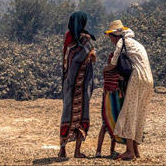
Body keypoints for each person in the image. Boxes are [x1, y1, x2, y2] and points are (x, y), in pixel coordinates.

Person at [103, 20, 153, 161]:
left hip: (137, 79)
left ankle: (129, 151)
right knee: (139, 113)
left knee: (129, 112)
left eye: (111, 37)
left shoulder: (121, 42)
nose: (111, 40)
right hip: (148, 80)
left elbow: (113, 65)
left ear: (115, 35)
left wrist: (104, 69)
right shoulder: (136, 43)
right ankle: (136, 151)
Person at [59, 11, 96, 158]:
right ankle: (77, 151)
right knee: (81, 114)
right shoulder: (85, 40)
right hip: (82, 84)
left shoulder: (68, 36)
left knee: (67, 113)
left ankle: (62, 150)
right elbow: (92, 58)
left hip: (68, 83)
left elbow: (67, 59)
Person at [95, 52, 125, 158]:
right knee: (114, 124)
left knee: (105, 124)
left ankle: (98, 151)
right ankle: (111, 150)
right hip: (115, 99)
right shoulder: (119, 73)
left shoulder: (105, 71)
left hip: (106, 98)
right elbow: (122, 80)